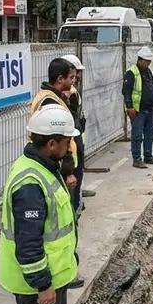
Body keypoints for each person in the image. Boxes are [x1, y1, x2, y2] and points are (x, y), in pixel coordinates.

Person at [0, 106, 83, 304]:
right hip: (37, 282)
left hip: (55, 276)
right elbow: (30, 244)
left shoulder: (44, 167)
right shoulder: (30, 183)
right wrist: (43, 285)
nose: (69, 147)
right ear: (52, 143)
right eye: (66, 142)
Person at [30, 58, 84, 289]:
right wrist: (68, 171)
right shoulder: (49, 102)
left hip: (57, 167)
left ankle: (66, 268)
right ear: (59, 78)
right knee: (62, 223)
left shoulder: (54, 97)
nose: (74, 82)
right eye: (70, 77)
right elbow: (60, 140)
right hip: (59, 170)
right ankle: (65, 272)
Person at [61, 54, 95, 202]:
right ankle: (75, 203)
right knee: (74, 172)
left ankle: (78, 199)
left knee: (78, 171)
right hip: (72, 143)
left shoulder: (73, 92)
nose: (79, 76)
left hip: (77, 140)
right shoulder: (68, 94)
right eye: (77, 72)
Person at [122, 46, 153, 169]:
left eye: (149, 62)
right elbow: (126, 91)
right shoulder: (131, 73)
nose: (148, 64)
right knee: (137, 135)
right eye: (146, 62)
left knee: (150, 133)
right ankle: (137, 158)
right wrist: (129, 107)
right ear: (140, 60)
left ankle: (148, 156)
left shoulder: (148, 72)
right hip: (138, 110)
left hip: (149, 109)